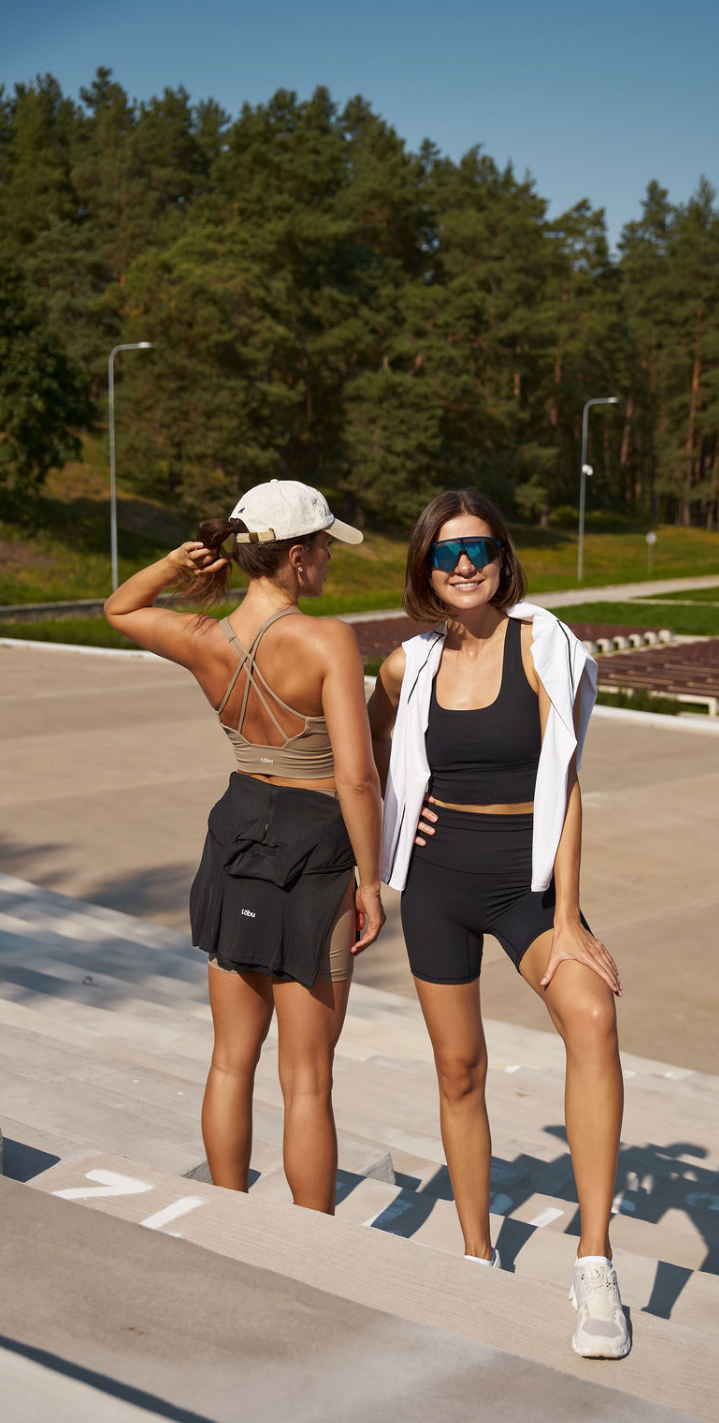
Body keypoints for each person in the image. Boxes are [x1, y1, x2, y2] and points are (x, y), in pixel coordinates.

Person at [368, 488, 630, 1359]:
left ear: (501, 555)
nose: (464, 565)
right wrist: (400, 818)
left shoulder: (541, 641)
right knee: (458, 1068)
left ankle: (593, 1262)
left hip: (528, 883)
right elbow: (373, 745)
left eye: (477, 548)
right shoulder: (407, 666)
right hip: (439, 882)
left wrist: (568, 916)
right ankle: (476, 1255)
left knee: (592, 1017)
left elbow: (570, 777)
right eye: (445, 554)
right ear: (425, 569)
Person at [105, 479, 383, 1213]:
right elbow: (355, 778)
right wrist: (372, 882)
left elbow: (119, 607)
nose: (328, 557)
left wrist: (177, 564)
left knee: (231, 1059)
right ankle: (311, 1242)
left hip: (235, 833)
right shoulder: (327, 640)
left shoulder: (203, 639)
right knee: (308, 1078)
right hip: (314, 851)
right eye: (323, 545)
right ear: (295, 557)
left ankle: (228, 1216)